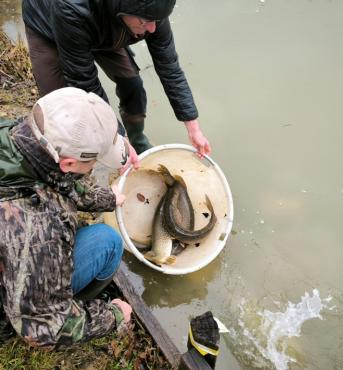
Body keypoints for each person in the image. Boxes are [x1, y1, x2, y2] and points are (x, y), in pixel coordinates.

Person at [0, 87, 133, 348]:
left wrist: (107, 198)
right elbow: (43, 329)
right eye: (93, 161)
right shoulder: (38, 230)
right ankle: (77, 303)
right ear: (69, 164)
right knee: (108, 241)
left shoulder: (16, 135)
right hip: (12, 310)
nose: (94, 167)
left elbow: (51, 175)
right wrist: (114, 316)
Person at [22, 0, 212, 160]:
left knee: (133, 85)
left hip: (110, 24)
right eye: (146, 21)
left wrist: (193, 128)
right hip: (49, 25)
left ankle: (137, 139)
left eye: (157, 20)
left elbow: (169, 67)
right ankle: (65, 167)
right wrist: (117, 139)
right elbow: (85, 82)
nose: (153, 28)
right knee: (60, 110)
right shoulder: (71, 9)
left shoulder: (152, 9)